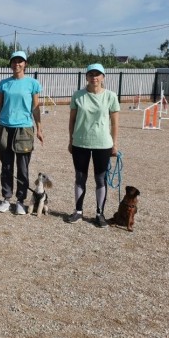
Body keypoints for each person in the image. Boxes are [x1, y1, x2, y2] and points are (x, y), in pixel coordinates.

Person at [66, 63, 120, 228]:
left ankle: (99, 213)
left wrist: (114, 143)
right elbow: (72, 120)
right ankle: (78, 211)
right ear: (86, 77)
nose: (94, 77)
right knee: (80, 177)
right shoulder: (78, 95)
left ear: (103, 77)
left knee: (100, 179)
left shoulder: (110, 96)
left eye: (97, 74)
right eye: (91, 74)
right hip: (81, 142)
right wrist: (71, 140)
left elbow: (115, 123)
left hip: (103, 143)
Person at [0, 50, 44, 215]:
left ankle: (20, 201)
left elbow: (35, 107)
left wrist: (39, 128)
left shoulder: (32, 84)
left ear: (25, 64)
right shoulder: (4, 84)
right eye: (14, 61)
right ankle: (6, 198)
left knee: (22, 168)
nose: (17, 64)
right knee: (6, 166)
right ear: (11, 64)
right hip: (5, 127)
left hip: (24, 128)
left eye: (20, 61)